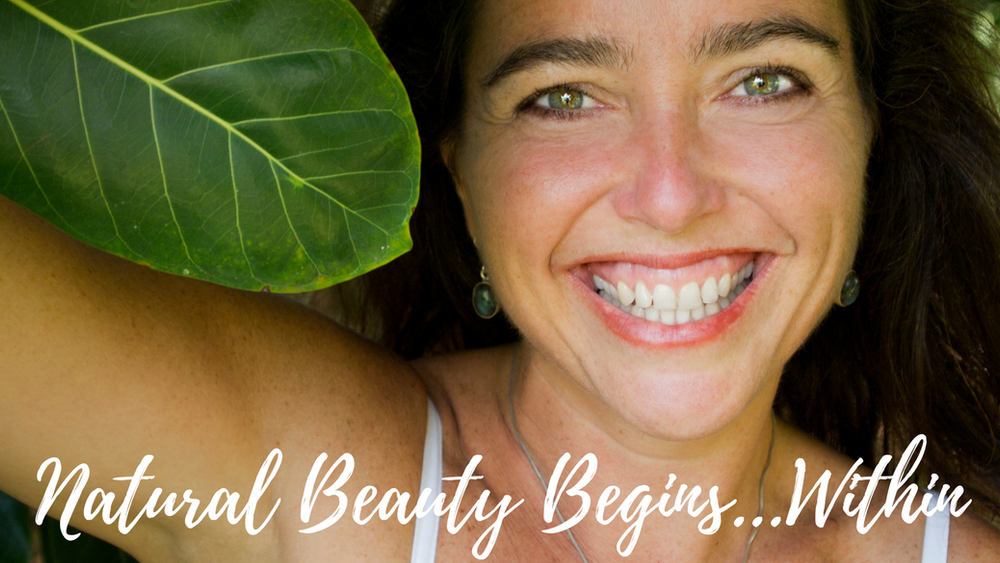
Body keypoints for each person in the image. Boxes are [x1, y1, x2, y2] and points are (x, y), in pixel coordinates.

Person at [2, 0, 1000, 561]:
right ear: (459, 174)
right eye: (561, 96)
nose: (669, 192)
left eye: (764, 80)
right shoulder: (322, 484)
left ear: (870, 135)